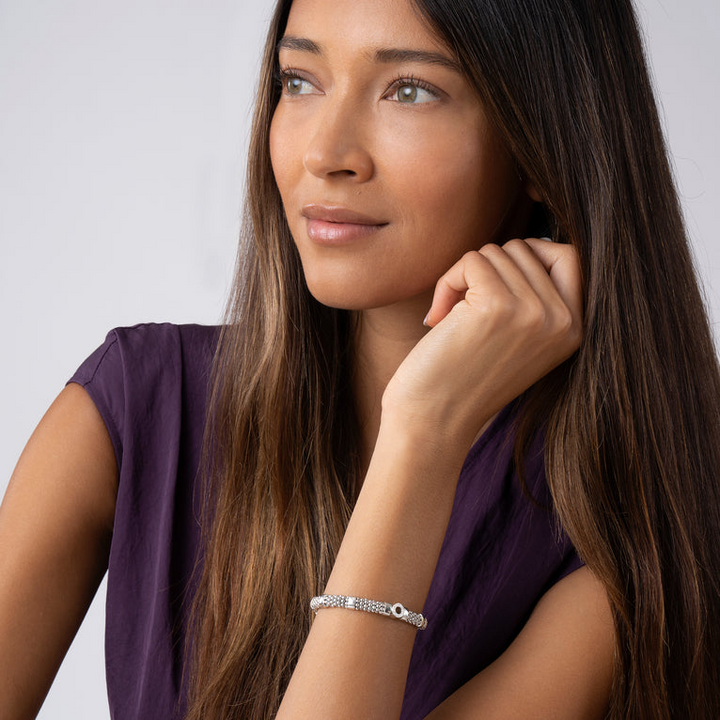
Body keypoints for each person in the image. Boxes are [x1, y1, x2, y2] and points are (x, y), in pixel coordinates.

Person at [1, 0, 719, 718]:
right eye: (301, 80)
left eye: (409, 90)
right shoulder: (134, 407)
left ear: (540, 140)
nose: (324, 152)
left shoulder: (621, 547)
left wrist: (422, 433)